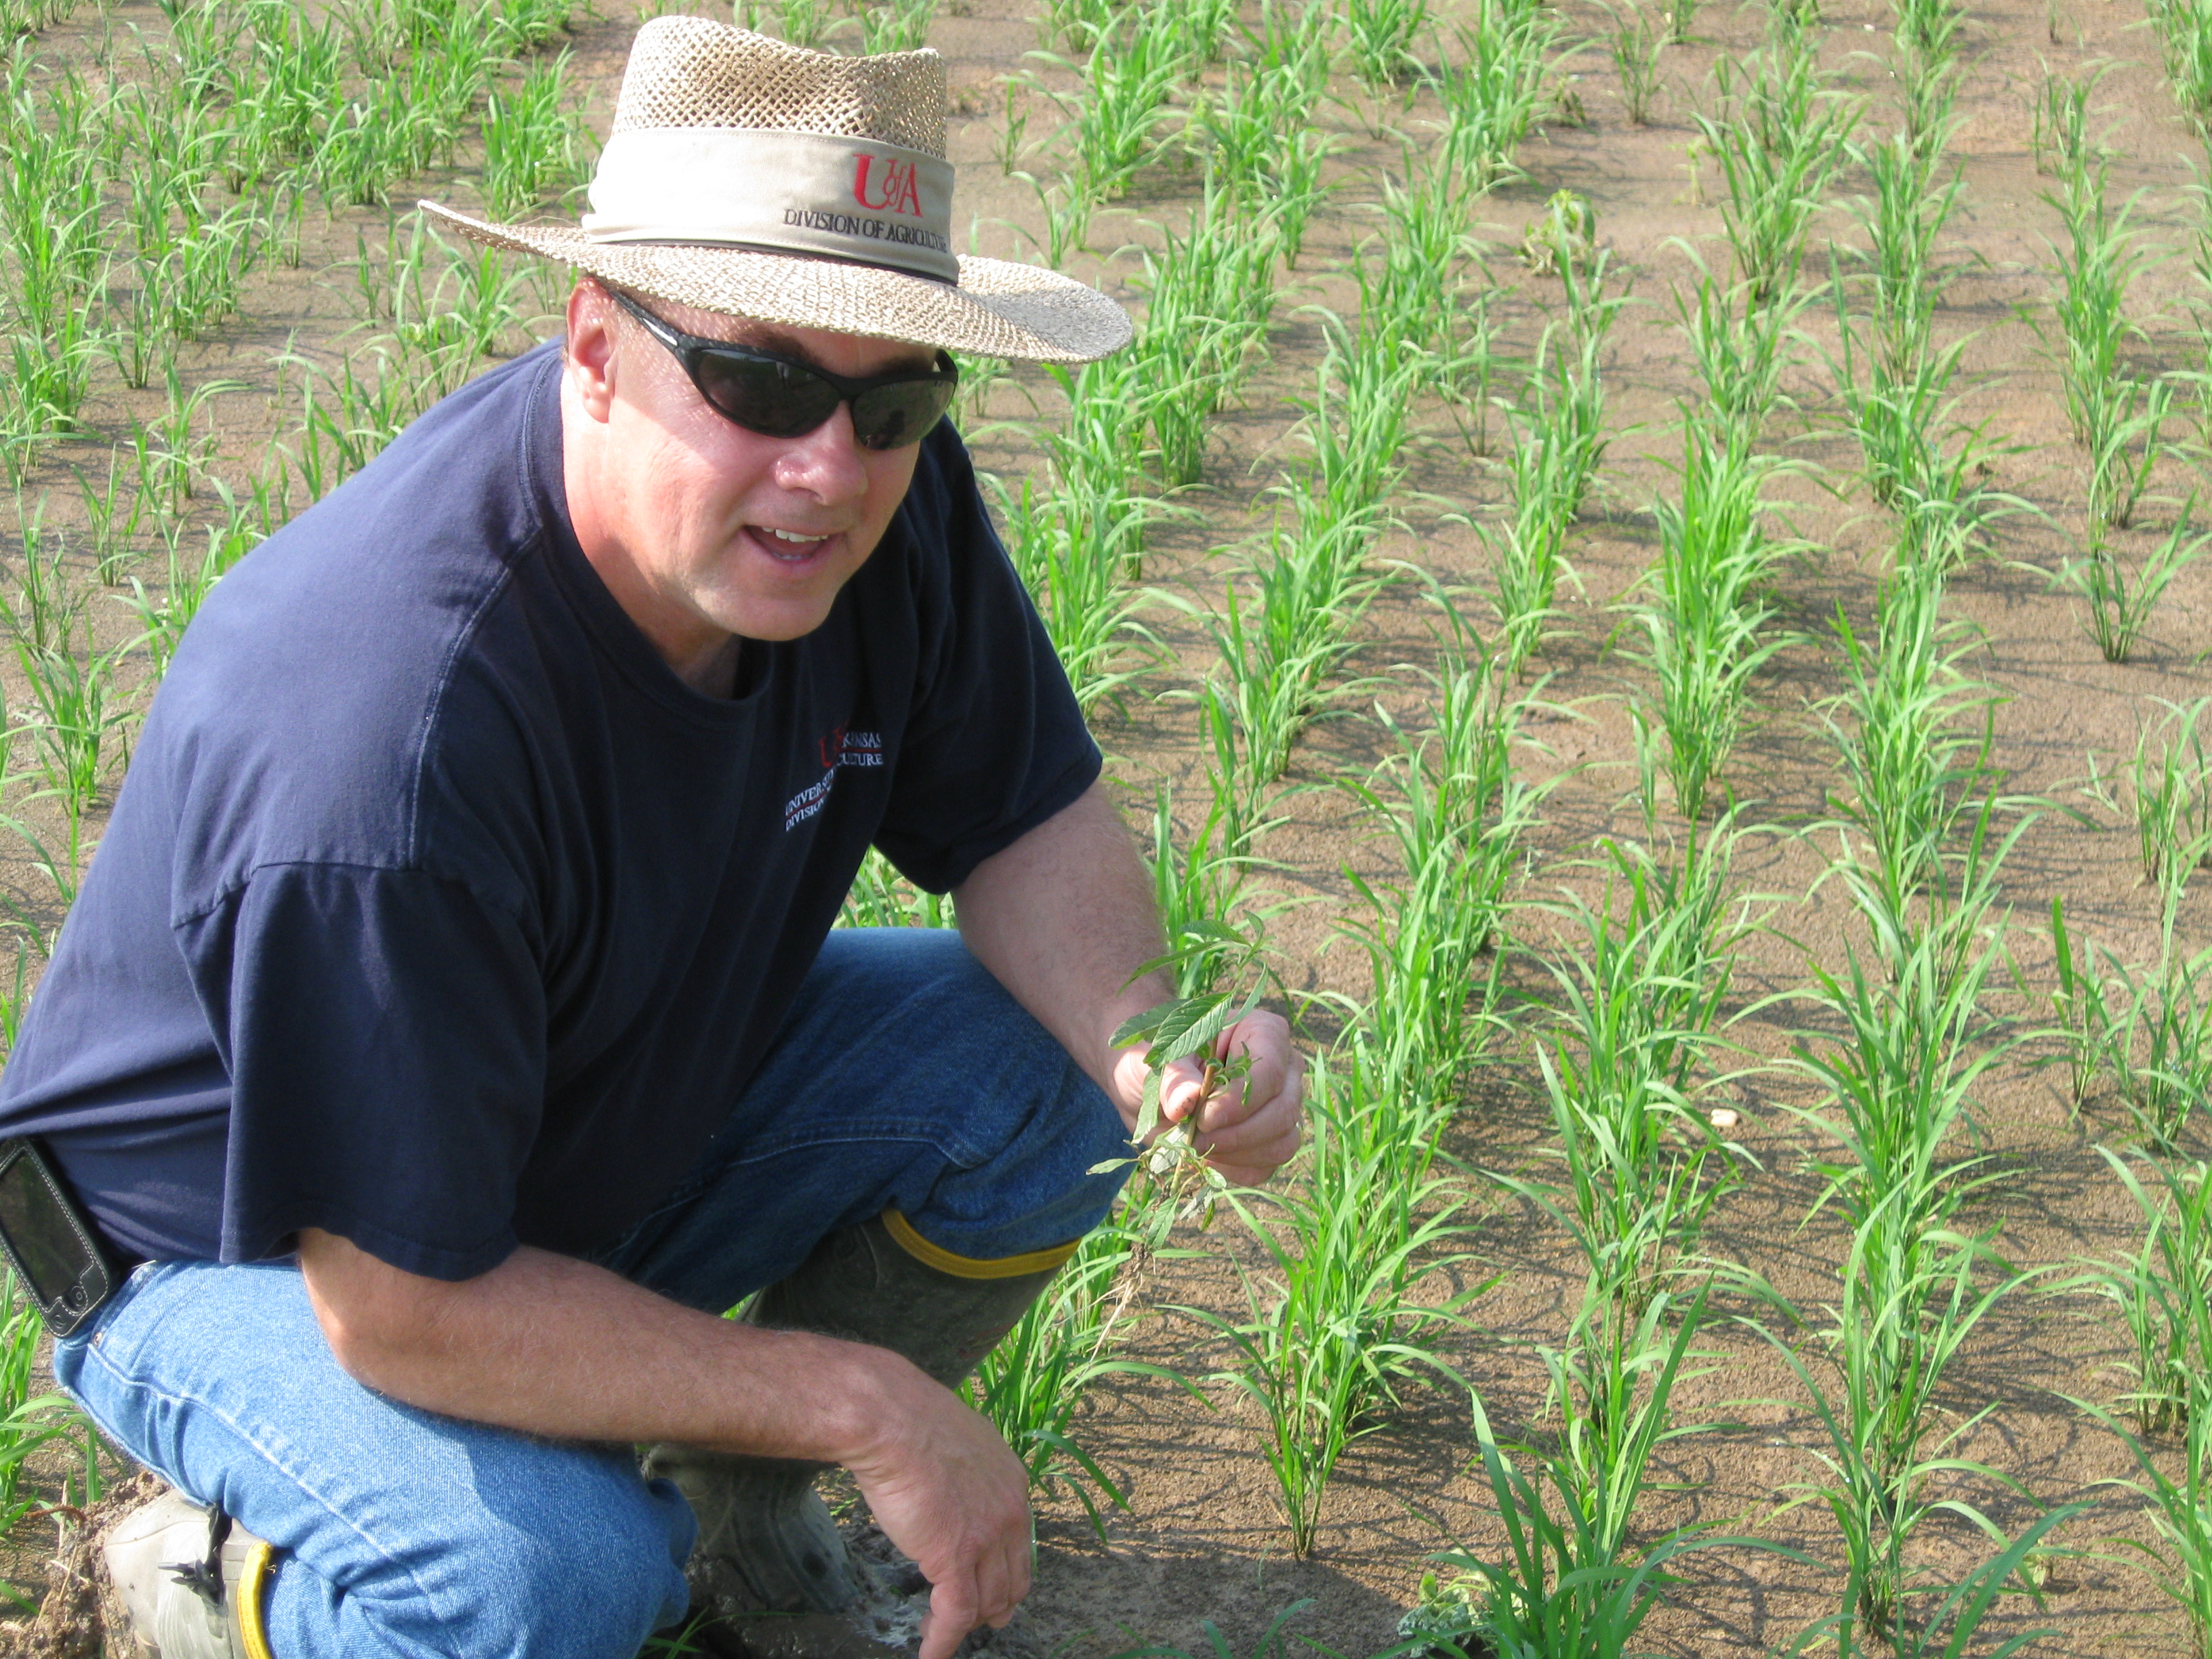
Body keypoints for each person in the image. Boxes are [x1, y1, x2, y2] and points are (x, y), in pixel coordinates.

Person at [0, 19, 1304, 1659]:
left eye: (894, 393)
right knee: (547, 1584)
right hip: (237, 1252)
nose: (826, 464)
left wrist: (1148, 1047)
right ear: (598, 349)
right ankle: (200, 1591)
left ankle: (735, 1521)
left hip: (568, 1120)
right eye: (757, 380)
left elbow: (1026, 815)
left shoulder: (870, 503)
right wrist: (860, 1398)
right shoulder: (388, 739)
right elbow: (397, 1304)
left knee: (1038, 1073)